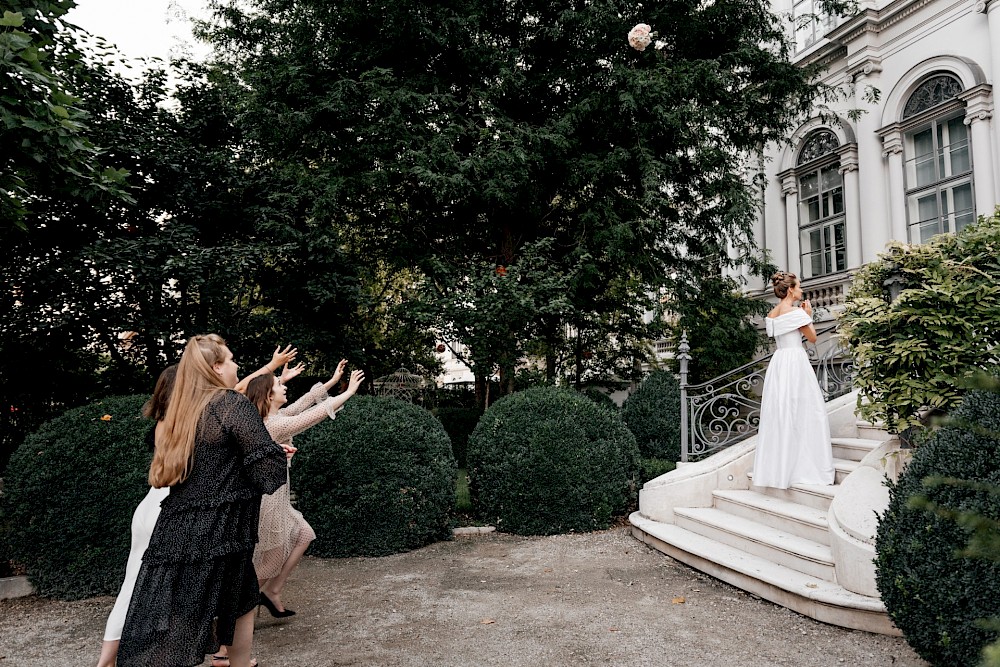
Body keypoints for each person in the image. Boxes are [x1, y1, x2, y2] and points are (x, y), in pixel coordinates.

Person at [95, 344, 297, 667]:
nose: (235, 365)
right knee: (212, 614)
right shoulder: (230, 404)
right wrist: (270, 454)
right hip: (220, 532)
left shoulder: (180, 412)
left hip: (176, 527)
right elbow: (268, 473)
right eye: (230, 359)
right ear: (216, 368)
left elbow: (208, 464)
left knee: (214, 606)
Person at [245, 360, 364, 617]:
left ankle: (271, 592)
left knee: (303, 534)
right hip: (268, 501)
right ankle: (237, 612)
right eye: (279, 384)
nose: (284, 386)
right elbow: (313, 415)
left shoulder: (274, 417)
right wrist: (348, 392)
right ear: (268, 395)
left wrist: (332, 381)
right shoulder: (274, 425)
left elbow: (303, 404)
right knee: (269, 562)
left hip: (277, 498)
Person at [751, 271, 836, 489]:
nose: (801, 290)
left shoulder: (772, 313)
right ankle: (804, 468)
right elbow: (813, 337)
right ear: (790, 289)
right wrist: (808, 314)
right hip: (795, 361)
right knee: (806, 411)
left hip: (780, 362)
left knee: (781, 414)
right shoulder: (797, 312)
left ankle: (781, 470)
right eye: (799, 286)